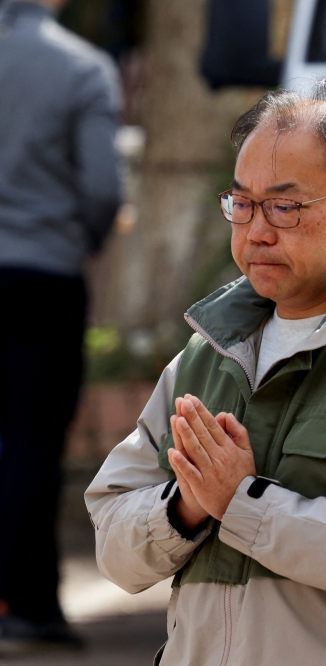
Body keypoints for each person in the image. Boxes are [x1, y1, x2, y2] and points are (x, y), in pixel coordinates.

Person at [85, 81, 326, 665]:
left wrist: (241, 503)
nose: (257, 231)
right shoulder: (204, 356)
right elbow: (114, 546)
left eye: (285, 206)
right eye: (241, 204)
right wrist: (186, 507)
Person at [0, 0, 121, 652]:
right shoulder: (80, 67)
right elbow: (103, 184)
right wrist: (83, 240)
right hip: (40, 272)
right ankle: (27, 604)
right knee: (29, 440)